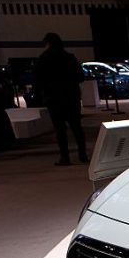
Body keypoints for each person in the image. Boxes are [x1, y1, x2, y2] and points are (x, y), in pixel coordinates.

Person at [34, 33, 88, 165]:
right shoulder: (69, 58)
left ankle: (65, 157)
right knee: (76, 127)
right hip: (71, 96)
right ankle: (83, 155)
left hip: (54, 98)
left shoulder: (43, 59)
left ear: (47, 44)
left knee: (60, 129)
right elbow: (80, 77)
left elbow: (38, 80)